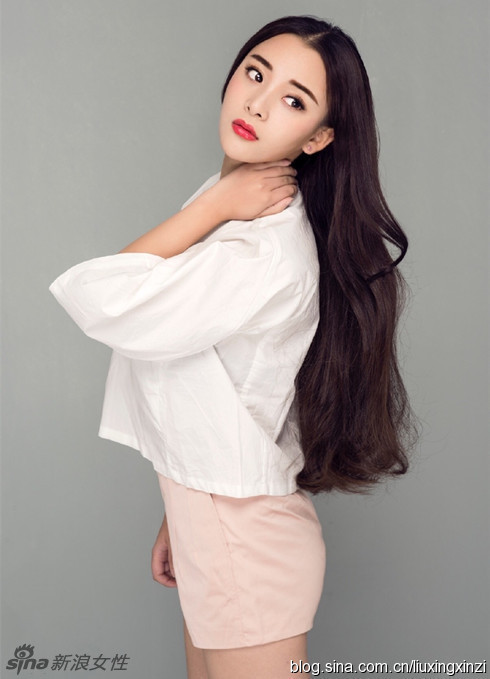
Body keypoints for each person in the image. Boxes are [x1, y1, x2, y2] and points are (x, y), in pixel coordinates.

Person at [49, 14, 416, 679]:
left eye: (294, 101)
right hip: (219, 529)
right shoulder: (242, 207)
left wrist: (212, 207)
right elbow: (245, 395)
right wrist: (182, 515)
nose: (258, 104)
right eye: (255, 73)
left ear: (319, 137)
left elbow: (98, 295)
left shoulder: (253, 237)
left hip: (247, 550)